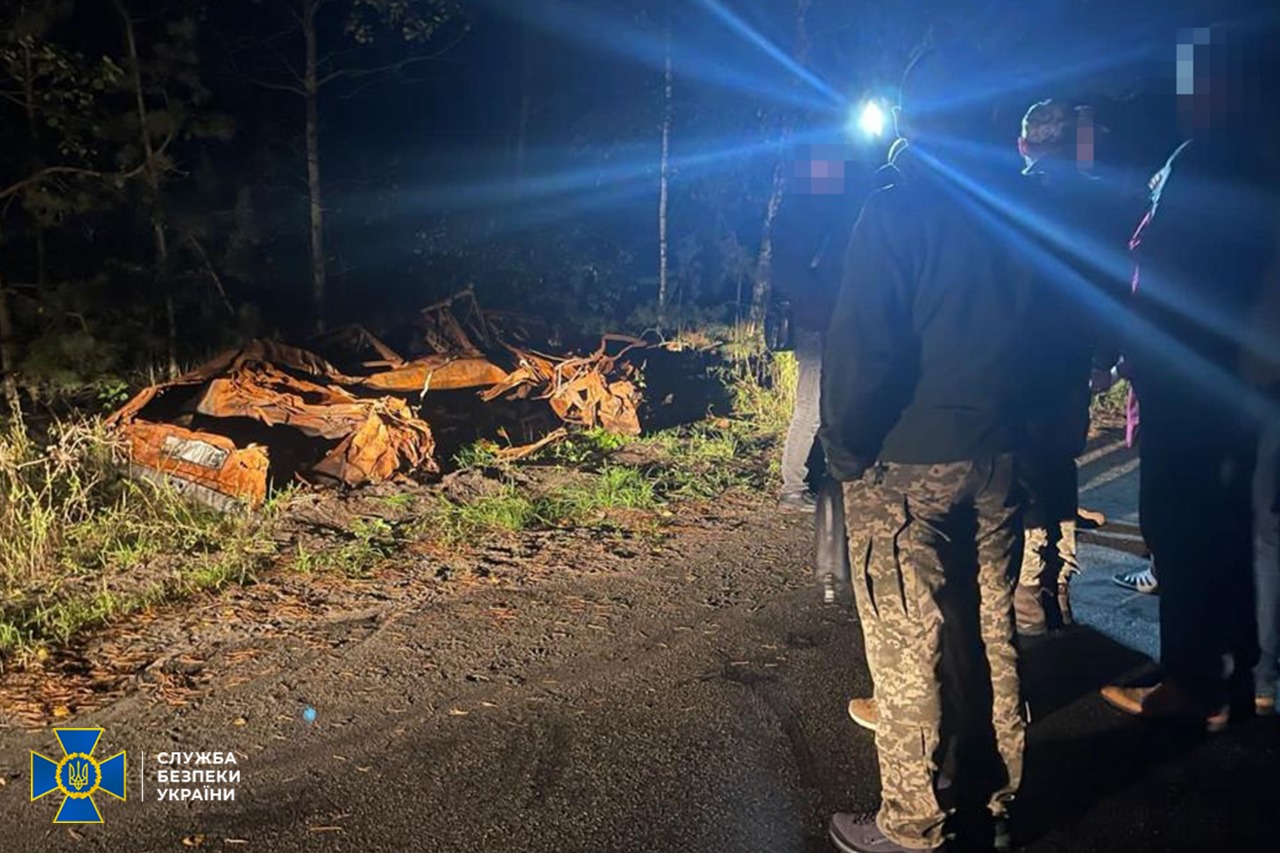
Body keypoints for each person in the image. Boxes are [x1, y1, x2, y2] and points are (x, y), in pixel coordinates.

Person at [821, 45, 1037, 853]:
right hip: (996, 455)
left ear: (909, 117)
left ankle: (912, 824)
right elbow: (1052, 343)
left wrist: (845, 452)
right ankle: (998, 797)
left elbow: (862, 349)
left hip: (907, 464)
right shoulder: (1017, 208)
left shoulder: (896, 207)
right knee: (989, 631)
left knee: (908, 640)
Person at [1101, 24, 1280, 730]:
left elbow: (1191, 271)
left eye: (1196, 81)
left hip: (1198, 370)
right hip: (1198, 368)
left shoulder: (1224, 161)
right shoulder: (1222, 156)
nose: (1186, 95)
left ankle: (1194, 679)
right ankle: (1208, 665)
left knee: (1187, 521)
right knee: (1203, 522)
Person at [1011, 99, 1131, 635]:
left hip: (1020, 360)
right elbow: (1109, 288)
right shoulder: (1099, 200)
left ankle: (1031, 591)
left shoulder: (1014, 199)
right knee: (1060, 464)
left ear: (1025, 145)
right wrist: (1104, 358)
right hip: (1071, 361)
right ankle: (1057, 589)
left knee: (1026, 473)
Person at [773, 144, 862, 512]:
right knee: (810, 405)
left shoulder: (805, 212)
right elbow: (795, 275)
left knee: (827, 402)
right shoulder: (806, 216)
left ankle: (815, 479)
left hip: (827, 318)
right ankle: (792, 488)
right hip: (817, 321)